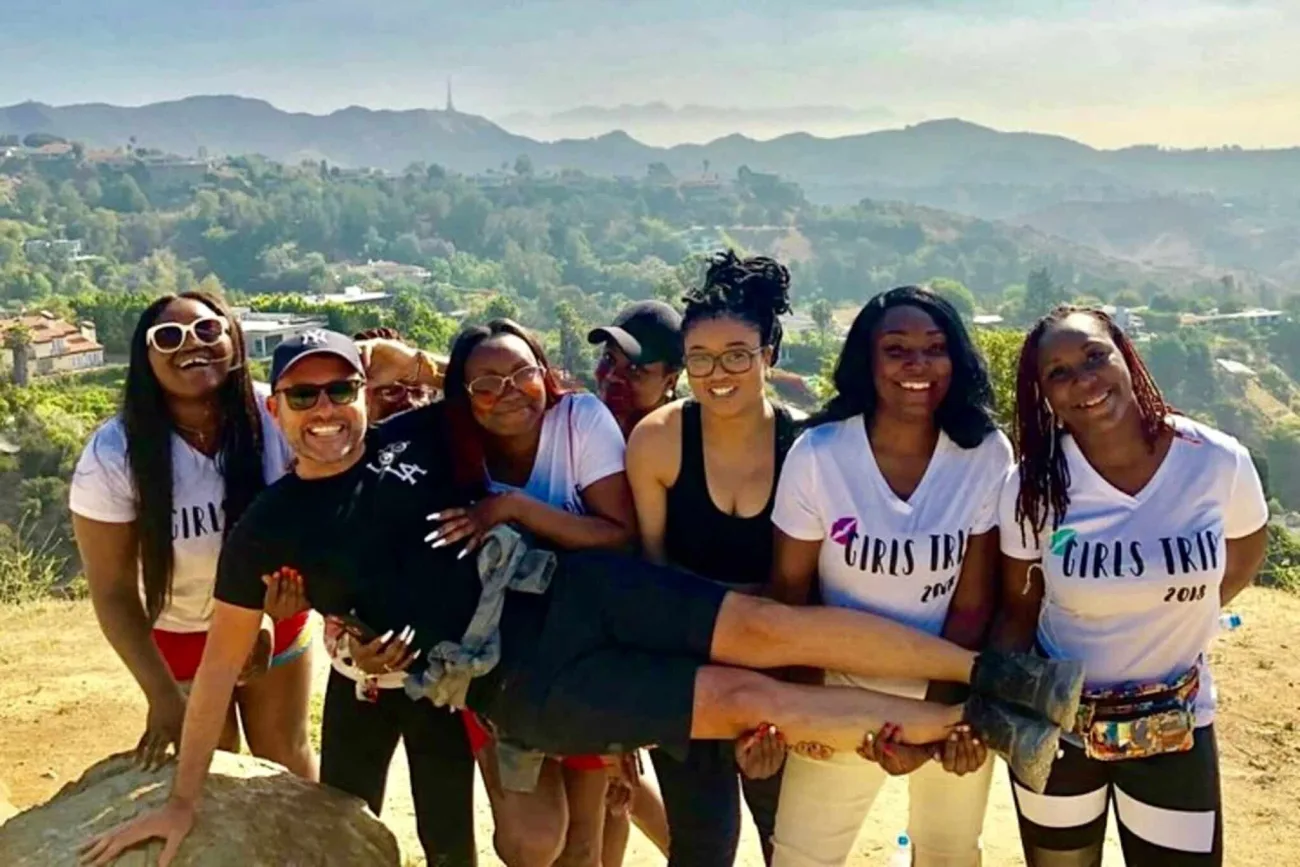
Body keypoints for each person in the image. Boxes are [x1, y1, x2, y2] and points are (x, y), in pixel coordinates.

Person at [80, 329, 1084, 867]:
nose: (328, 410)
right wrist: (182, 801)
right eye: (302, 397)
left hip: (574, 586)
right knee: (747, 697)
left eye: (339, 390)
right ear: (276, 408)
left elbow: (456, 376)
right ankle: (981, 720)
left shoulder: (416, 433)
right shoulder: (268, 531)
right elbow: (221, 668)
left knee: (766, 628)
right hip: (524, 682)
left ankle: (1000, 677)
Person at [995, 306, 1269, 867]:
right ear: (1043, 393)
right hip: (1059, 730)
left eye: (1095, 356)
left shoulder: (1217, 462)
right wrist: (988, 710)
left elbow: (1242, 558)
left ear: (1126, 355)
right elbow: (1019, 612)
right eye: (1059, 373)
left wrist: (1176, 611)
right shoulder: (1031, 486)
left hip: (1175, 726)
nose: (1084, 380)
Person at [768, 286, 1009, 867]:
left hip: (949, 698)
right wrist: (810, 711)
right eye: (896, 349)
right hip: (837, 694)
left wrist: (932, 726)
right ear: (867, 362)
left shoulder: (984, 454)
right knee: (801, 858)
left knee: (950, 854)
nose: (917, 365)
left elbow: (972, 605)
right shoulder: (820, 454)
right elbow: (791, 593)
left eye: (935, 348)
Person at [68, 291, 312, 778]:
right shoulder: (114, 455)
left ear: (233, 338)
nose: (191, 344)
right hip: (179, 638)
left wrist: (266, 617)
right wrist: (161, 694)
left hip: (275, 617)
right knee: (210, 770)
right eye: (168, 337)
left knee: (285, 756)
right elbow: (113, 590)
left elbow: (318, 514)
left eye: (206, 329)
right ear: (145, 358)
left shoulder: (278, 412)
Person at [434, 318, 638, 867]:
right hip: (499, 666)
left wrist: (514, 507)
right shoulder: (450, 449)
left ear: (544, 374)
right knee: (532, 840)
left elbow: (619, 535)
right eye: (486, 383)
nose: (508, 392)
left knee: (584, 844)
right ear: (464, 396)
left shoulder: (579, 421)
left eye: (522, 373)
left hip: (586, 655)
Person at [625, 251, 800, 866]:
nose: (717, 373)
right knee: (703, 845)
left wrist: (774, 694)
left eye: (737, 356)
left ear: (768, 356)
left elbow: (807, 587)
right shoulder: (658, 440)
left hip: (784, 663)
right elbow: (651, 571)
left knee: (790, 840)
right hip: (686, 664)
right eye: (700, 357)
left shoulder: (805, 447)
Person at [300, 326, 477, 866]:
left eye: (408, 388)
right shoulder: (321, 467)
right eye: (380, 390)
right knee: (345, 826)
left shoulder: (445, 450)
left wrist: (414, 362)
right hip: (358, 678)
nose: (400, 399)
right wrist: (352, 647)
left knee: (448, 835)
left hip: (440, 678)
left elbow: (486, 380)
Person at [588, 301, 684, 865]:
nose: (615, 378)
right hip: (599, 627)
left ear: (672, 378)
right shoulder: (588, 427)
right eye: (609, 361)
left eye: (637, 370)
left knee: (621, 779)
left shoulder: (681, 443)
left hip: (653, 637)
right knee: (611, 788)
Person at [589, 300, 684, 440]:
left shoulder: (686, 446)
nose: (612, 376)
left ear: (670, 381)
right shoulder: (582, 432)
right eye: (609, 358)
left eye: (634, 368)